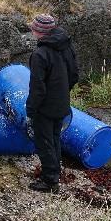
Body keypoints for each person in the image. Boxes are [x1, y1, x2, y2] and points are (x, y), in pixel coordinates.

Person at [26, 14, 79, 194]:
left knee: (45, 142)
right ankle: (55, 171)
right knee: (55, 138)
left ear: (39, 32)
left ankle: (50, 181)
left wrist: (31, 109)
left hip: (45, 107)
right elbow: (74, 75)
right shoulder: (66, 46)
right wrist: (64, 92)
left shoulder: (40, 55)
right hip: (62, 102)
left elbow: (37, 88)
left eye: (33, 29)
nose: (32, 31)